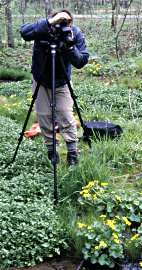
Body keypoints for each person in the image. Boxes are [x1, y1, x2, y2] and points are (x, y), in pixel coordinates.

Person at [20, 10, 89, 165]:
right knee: (44, 116)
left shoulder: (74, 33)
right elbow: (24, 32)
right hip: (41, 80)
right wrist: (50, 23)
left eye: (66, 21)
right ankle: (52, 151)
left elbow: (81, 61)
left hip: (62, 81)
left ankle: (72, 153)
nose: (63, 24)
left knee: (65, 115)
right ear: (52, 19)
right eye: (59, 21)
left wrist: (70, 47)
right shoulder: (42, 29)